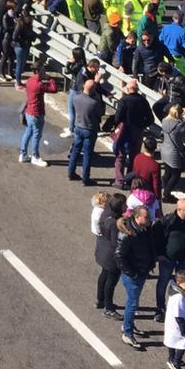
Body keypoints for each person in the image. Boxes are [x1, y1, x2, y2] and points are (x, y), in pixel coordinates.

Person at [116, 204, 157, 348]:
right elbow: (119, 256)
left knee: (132, 302)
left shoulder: (144, 229)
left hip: (142, 270)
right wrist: (132, 273)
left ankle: (128, 325)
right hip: (134, 274)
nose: (149, 219)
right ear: (137, 217)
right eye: (146, 217)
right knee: (132, 304)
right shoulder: (128, 234)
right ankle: (127, 333)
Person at [155, 197, 185, 312]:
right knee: (163, 282)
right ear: (179, 210)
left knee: (183, 285)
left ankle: (180, 307)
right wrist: (159, 254)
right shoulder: (168, 221)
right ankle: (160, 308)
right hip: (167, 259)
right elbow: (156, 238)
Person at [93, 190, 126, 318]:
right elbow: (115, 242)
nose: (126, 207)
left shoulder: (106, 212)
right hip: (111, 256)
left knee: (104, 275)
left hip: (102, 250)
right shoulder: (115, 223)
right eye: (124, 205)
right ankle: (109, 307)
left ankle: (100, 299)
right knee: (111, 281)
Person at [66, 77, 105, 184]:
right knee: (87, 154)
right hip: (90, 129)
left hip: (78, 127)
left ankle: (70, 172)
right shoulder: (94, 102)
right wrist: (98, 97)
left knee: (75, 150)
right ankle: (85, 178)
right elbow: (100, 113)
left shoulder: (76, 98)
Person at [19, 66, 59, 166]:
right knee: (36, 135)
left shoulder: (30, 80)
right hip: (36, 113)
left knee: (28, 132)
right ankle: (35, 156)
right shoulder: (39, 84)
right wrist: (51, 79)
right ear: (38, 71)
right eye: (43, 71)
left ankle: (23, 154)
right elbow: (54, 89)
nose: (45, 72)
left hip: (29, 111)